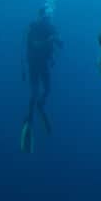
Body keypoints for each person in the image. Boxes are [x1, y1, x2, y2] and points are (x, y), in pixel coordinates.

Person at [21, 8, 63, 153]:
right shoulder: (34, 27)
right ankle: (29, 118)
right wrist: (48, 40)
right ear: (40, 16)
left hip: (44, 63)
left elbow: (61, 44)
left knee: (47, 89)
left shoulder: (50, 28)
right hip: (33, 63)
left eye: (48, 16)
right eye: (44, 16)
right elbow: (34, 45)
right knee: (34, 91)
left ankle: (41, 103)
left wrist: (57, 39)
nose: (46, 18)